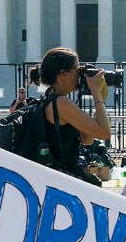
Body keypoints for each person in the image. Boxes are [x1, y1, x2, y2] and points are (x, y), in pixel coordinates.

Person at [27, 47, 111, 185]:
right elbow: (104, 133)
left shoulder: (50, 99)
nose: (81, 75)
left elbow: (87, 139)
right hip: (62, 181)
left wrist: (98, 98)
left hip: (55, 179)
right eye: (78, 70)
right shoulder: (61, 104)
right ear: (63, 74)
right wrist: (97, 95)